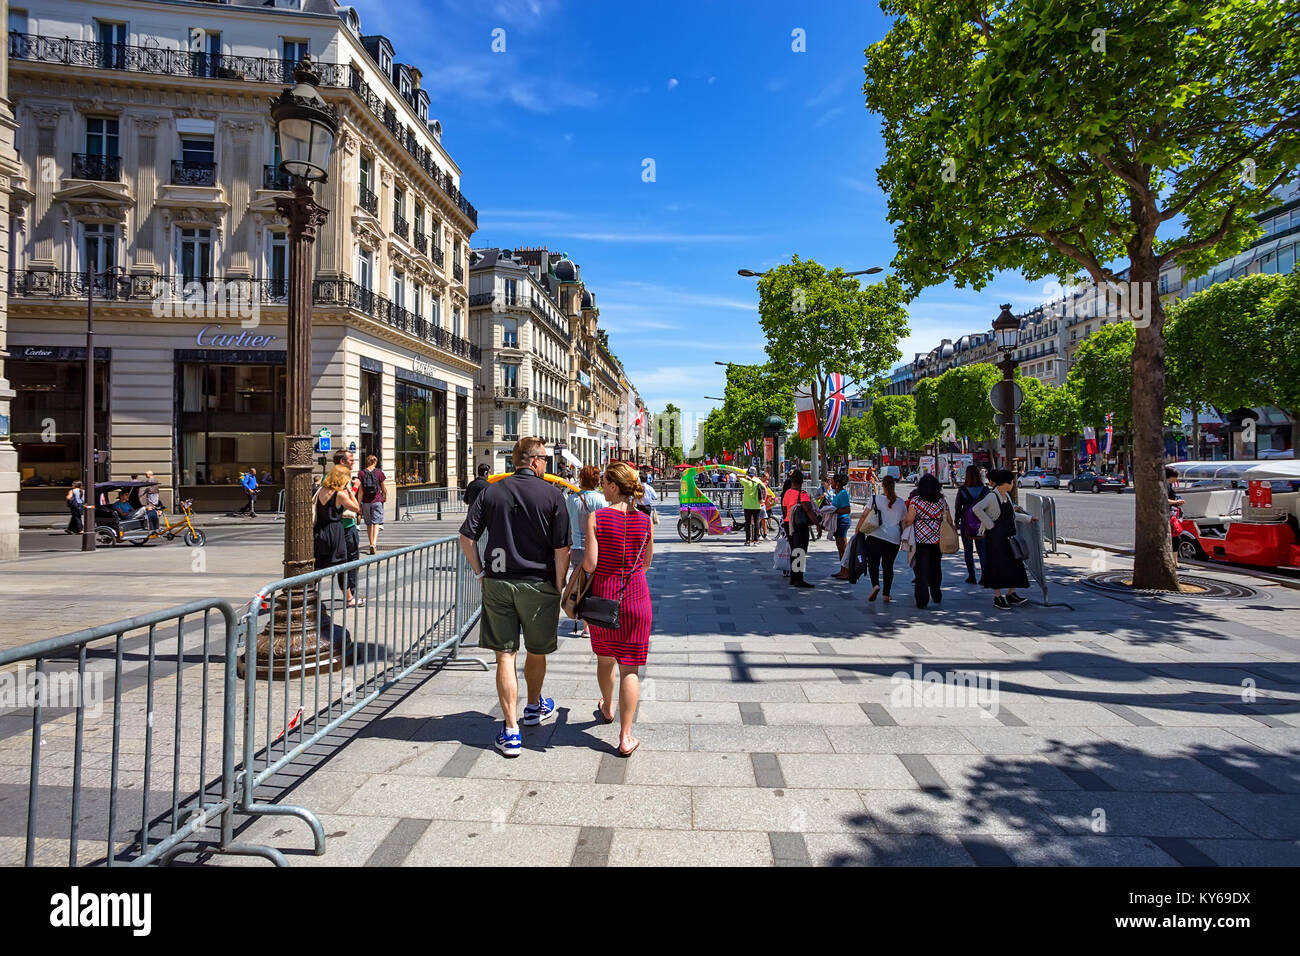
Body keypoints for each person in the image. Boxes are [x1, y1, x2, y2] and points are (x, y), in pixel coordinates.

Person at [458, 437, 570, 758]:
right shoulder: (552, 495)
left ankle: (510, 730)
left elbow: (467, 537)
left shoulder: (492, 492)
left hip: (498, 582)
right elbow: (562, 549)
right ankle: (533, 707)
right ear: (533, 460)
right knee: (537, 650)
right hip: (539, 583)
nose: (547, 465)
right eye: (545, 459)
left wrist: (480, 573)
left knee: (505, 655)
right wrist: (558, 584)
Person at [582, 462, 654, 757]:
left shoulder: (596, 518)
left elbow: (590, 564)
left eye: (604, 482)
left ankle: (607, 706)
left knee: (605, 659)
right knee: (631, 669)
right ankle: (625, 737)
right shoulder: (646, 521)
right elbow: (647, 562)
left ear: (614, 486)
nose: (601, 487)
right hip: (637, 598)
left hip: (603, 598)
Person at [973, 468, 1034, 609]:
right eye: (1011, 481)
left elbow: (1011, 516)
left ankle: (1011, 593)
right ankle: (998, 596)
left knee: (1014, 565)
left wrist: (1028, 519)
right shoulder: (992, 497)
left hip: (1008, 536)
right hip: (996, 538)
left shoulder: (1006, 495)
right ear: (1005, 483)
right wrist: (989, 524)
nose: (1013, 484)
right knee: (997, 566)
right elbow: (977, 508)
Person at [565, 465, 608, 638]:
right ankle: (593, 622)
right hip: (595, 547)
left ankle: (585, 625)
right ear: (597, 481)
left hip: (576, 547)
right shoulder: (601, 500)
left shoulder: (571, 500)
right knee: (595, 585)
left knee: (580, 585)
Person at [314, 464, 364, 607]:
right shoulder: (339, 494)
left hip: (320, 530)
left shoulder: (321, 490)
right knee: (342, 565)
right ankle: (349, 599)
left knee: (319, 565)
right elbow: (356, 508)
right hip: (335, 532)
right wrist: (350, 490)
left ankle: (308, 592)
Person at [904, 473, 955, 609]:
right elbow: (949, 520)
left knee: (921, 570)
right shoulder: (941, 502)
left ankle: (922, 599)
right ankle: (936, 593)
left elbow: (909, 520)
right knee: (936, 567)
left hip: (920, 540)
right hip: (938, 540)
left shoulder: (916, 501)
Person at [333, 449, 363, 602]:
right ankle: (350, 596)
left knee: (344, 562)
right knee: (349, 561)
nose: (353, 462)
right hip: (345, 526)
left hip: (341, 527)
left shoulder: (332, 477)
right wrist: (355, 488)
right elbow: (353, 506)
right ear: (342, 462)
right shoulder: (340, 479)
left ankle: (349, 595)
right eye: (351, 459)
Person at [782, 468, 819, 589]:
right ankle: (799, 579)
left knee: (794, 550)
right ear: (802, 481)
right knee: (801, 551)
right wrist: (818, 526)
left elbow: (784, 510)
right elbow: (809, 511)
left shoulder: (787, 493)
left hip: (789, 524)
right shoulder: (802, 494)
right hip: (800, 525)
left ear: (792, 481)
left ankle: (794, 577)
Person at [954, 464, 990, 585]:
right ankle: (985, 576)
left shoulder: (963, 490)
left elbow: (958, 507)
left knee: (968, 550)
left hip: (966, 522)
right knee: (982, 550)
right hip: (982, 522)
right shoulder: (985, 490)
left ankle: (971, 575)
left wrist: (956, 521)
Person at [359, 455, 387, 554]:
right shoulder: (379, 473)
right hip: (377, 501)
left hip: (366, 502)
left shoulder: (362, 473)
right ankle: (374, 544)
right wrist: (384, 497)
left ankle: (370, 542)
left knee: (369, 523)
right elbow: (384, 488)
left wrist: (359, 504)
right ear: (375, 462)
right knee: (376, 523)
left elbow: (361, 491)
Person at [829, 472, 853, 570]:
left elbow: (847, 509)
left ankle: (846, 570)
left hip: (842, 521)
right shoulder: (838, 493)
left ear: (837, 483)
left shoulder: (843, 494)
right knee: (840, 547)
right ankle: (843, 569)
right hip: (838, 521)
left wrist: (834, 510)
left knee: (842, 548)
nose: (831, 483)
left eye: (832, 481)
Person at [739, 467, 764, 546]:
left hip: (747, 505)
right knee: (756, 523)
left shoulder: (746, 481)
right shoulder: (758, 481)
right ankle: (756, 540)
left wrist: (745, 476)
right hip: (756, 505)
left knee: (748, 523)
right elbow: (764, 488)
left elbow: (737, 476)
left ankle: (747, 540)